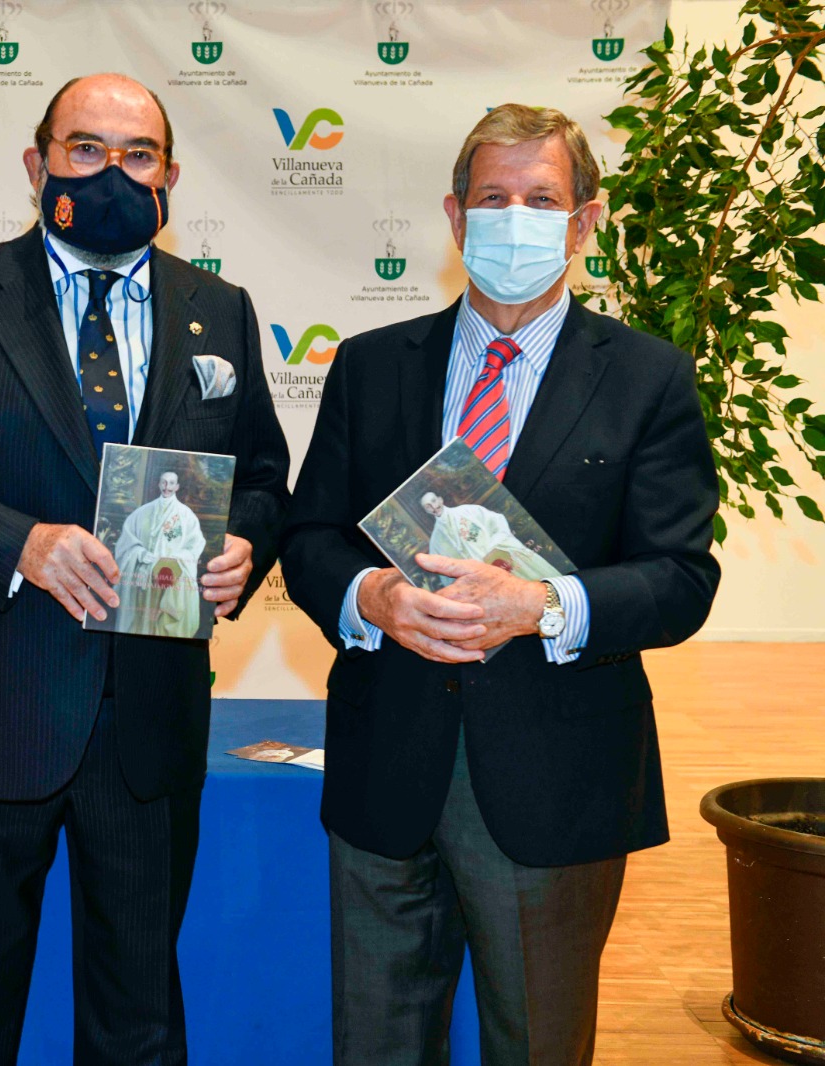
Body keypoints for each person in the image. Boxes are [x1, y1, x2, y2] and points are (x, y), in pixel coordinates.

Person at [0, 72, 291, 1063]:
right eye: (87, 149)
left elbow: (261, 477)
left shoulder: (220, 308)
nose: (113, 172)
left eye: (137, 155)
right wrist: (21, 545)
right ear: (38, 162)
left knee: (138, 1020)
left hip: (149, 721)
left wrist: (248, 545)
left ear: (169, 174)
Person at [280, 103, 720, 1065]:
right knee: (378, 1045)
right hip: (385, 768)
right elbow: (310, 536)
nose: (514, 218)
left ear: (586, 220)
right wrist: (372, 600)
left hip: (552, 784)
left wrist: (547, 605)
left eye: (542, 198)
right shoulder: (369, 368)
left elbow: (682, 577)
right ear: (453, 214)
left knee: (537, 1048)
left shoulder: (649, 379)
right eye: (493, 199)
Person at [113, 471, 206, 637]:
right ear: (158, 484)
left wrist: (176, 559)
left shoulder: (186, 516)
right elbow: (125, 544)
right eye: (164, 482)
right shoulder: (141, 513)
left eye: (171, 483)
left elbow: (194, 547)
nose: (166, 487)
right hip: (143, 581)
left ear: (177, 487)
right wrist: (139, 553)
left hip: (170, 580)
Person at [420, 491, 559, 582]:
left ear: (440, 499)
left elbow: (498, 522)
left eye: (434, 501)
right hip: (484, 581)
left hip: (504, 559)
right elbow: (446, 577)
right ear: (426, 511)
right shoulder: (436, 542)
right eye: (428, 506)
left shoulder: (468, 511)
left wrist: (493, 548)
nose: (433, 506)